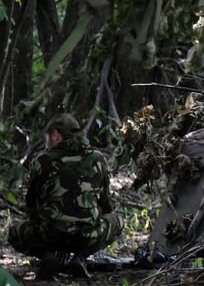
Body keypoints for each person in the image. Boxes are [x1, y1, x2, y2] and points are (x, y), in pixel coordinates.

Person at [6, 113, 120, 277]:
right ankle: (80, 258)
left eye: (46, 138)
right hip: (86, 236)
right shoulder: (98, 159)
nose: (46, 144)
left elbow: (32, 207)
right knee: (117, 221)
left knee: (14, 232)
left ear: (55, 135)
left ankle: (48, 255)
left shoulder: (42, 161)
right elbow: (106, 205)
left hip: (50, 235)